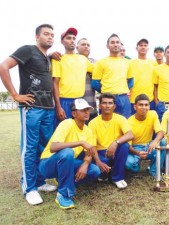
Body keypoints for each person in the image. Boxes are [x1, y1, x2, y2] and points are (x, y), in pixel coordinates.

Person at [0, 24, 57, 205]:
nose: (50, 37)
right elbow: (3, 66)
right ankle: (29, 188)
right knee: (30, 147)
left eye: (52, 35)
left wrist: (51, 56)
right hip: (32, 108)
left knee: (43, 147)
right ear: (37, 37)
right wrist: (15, 95)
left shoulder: (45, 57)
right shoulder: (27, 50)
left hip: (48, 108)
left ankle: (39, 182)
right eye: (46, 34)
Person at [38, 98, 100, 209]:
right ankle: (63, 195)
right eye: (82, 110)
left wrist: (85, 165)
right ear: (74, 113)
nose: (86, 112)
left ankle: (63, 182)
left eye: (87, 109)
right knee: (67, 152)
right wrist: (80, 142)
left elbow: (89, 153)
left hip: (67, 163)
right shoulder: (66, 124)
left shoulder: (88, 130)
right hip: (48, 164)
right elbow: (53, 147)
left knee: (94, 170)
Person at [88, 93, 134, 188]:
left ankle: (117, 177)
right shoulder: (93, 123)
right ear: (99, 106)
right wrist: (98, 161)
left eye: (110, 103)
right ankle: (105, 173)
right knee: (97, 171)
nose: (107, 106)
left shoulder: (120, 119)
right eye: (104, 103)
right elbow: (91, 146)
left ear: (114, 106)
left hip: (116, 150)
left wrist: (115, 142)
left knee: (124, 146)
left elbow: (130, 134)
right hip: (100, 153)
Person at [52, 27, 94, 127]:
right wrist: (58, 107)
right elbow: (55, 83)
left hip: (80, 100)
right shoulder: (58, 58)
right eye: (68, 38)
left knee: (78, 131)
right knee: (63, 131)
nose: (72, 40)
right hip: (64, 101)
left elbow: (99, 70)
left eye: (74, 38)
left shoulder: (83, 59)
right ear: (62, 41)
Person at [92, 34, 133, 118]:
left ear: (120, 45)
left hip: (123, 99)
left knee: (124, 124)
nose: (115, 44)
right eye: (112, 42)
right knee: (106, 124)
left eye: (118, 42)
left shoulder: (127, 62)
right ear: (107, 46)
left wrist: (121, 89)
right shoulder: (101, 62)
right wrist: (107, 92)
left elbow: (131, 81)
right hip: (107, 99)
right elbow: (95, 84)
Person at [125, 94, 165, 177]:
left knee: (163, 142)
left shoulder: (153, 114)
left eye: (146, 105)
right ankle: (136, 167)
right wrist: (138, 153)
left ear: (149, 106)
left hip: (149, 146)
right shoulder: (129, 122)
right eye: (141, 105)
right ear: (135, 107)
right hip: (135, 148)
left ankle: (154, 171)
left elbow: (160, 132)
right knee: (128, 164)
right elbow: (128, 146)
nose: (144, 107)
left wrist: (155, 141)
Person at [129, 39, 156, 114]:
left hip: (150, 99)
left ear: (148, 48)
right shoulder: (130, 63)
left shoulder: (154, 63)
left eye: (145, 45)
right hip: (133, 100)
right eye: (141, 45)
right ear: (136, 48)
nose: (143, 47)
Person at [76, 38, 98, 122]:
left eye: (88, 45)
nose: (86, 46)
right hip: (78, 107)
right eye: (83, 44)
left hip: (92, 106)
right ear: (77, 48)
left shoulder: (94, 63)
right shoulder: (73, 61)